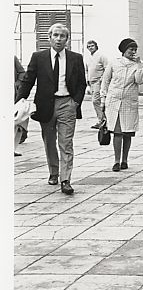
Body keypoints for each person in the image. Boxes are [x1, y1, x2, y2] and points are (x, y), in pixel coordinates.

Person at [15, 23, 87, 195]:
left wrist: (75, 103)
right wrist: (18, 101)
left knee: (66, 142)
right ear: (49, 38)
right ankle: (54, 172)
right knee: (49, 141)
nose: (58, 39)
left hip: (67, 104)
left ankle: (65, 179)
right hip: (45, 105)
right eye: (55, 35)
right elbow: (28, 80)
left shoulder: (76, 58)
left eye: (62, 36)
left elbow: (81, 84)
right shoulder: (38, 57)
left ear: (67, 39)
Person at [101, 38, 143, 171]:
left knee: (127, 132)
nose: (133, 52)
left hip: (129, 102)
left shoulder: (138, 64)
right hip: (114, 101)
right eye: (131, 49)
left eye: (135, 50)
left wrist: (139, 65)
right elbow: (106, 81)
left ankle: (125, 160)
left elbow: (139, 80)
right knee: (117, 132)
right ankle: (116, 161)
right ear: (124, 50)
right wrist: (103, 99)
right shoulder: (114, 63)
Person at [85, 40, 109, 129]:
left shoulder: (101, 56)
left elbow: (107, 69)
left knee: (96, 101)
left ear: (96, 46)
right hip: (91, 83)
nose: (90, 48)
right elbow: (87, 70)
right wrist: (87, 81)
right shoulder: (88, 58)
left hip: (99, 82)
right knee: (95, 102)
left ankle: (102, 121)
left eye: (92, 46)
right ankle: (102, 120)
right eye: (89, 46)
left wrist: (102, 80)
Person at [14, 56, 27, 156]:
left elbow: (22, 73)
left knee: (16, 123)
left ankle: (12, 148)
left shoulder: (12, 57)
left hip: (11, 95)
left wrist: (17, 83)